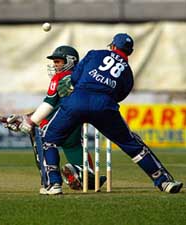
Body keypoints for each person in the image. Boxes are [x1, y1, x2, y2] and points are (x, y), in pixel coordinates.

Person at [15, 33, 183, 195]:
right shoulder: (128, 73)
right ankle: (164, 181)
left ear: (112, 46)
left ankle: (54, 184)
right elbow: (120, 95)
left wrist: (30, 121)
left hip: (77, 101)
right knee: (133, 145)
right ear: (129, 52)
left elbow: (74, 80)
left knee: (48, 140)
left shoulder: (95, 54)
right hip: (105, 106)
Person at [6, 45, 106, 193]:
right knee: (74, 147)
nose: (55, 65)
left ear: (71, 61)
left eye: (58, 61)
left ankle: (51, 182)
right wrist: (27, 117)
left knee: (42, 143)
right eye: (54, 62)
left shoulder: (59, 78)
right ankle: (87, 177)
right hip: (76, 122)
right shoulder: (83, 78)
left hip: (58, 122)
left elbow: (50, 104)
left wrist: (29, 120)